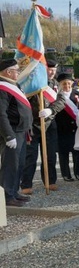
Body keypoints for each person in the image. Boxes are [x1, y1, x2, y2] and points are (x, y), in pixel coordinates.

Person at [21, 59, 66, 193]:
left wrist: (50, 110)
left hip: (49, 124)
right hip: (33, 124)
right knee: (31, 156)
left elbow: (61, 101)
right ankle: (26, 185)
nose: (52, 72)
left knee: (50, 156)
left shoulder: (55, 85)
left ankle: (50, 181)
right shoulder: (32, 83)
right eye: (49, 69)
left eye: (54, 70)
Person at [0, 59, 33, 206]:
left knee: (19, 164)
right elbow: (1, 114)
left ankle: (13, 191)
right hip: (12, 131)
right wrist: (8, 135)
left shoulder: (15, 85)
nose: (18, 72)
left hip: (20, 130)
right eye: (16, 70)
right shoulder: (2, 87)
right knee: (10, 165)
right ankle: (6, 196)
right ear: (8, 72)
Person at [55, 72, 79, 182]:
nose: (67, 86)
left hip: (75, 128)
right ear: (60, 84)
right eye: (64, 84)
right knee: (63, 153)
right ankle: (66, 174)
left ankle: (78, 173)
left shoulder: (76, 94)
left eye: (69, 83)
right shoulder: (57, 95)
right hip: (62, 127)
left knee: (77, 153)